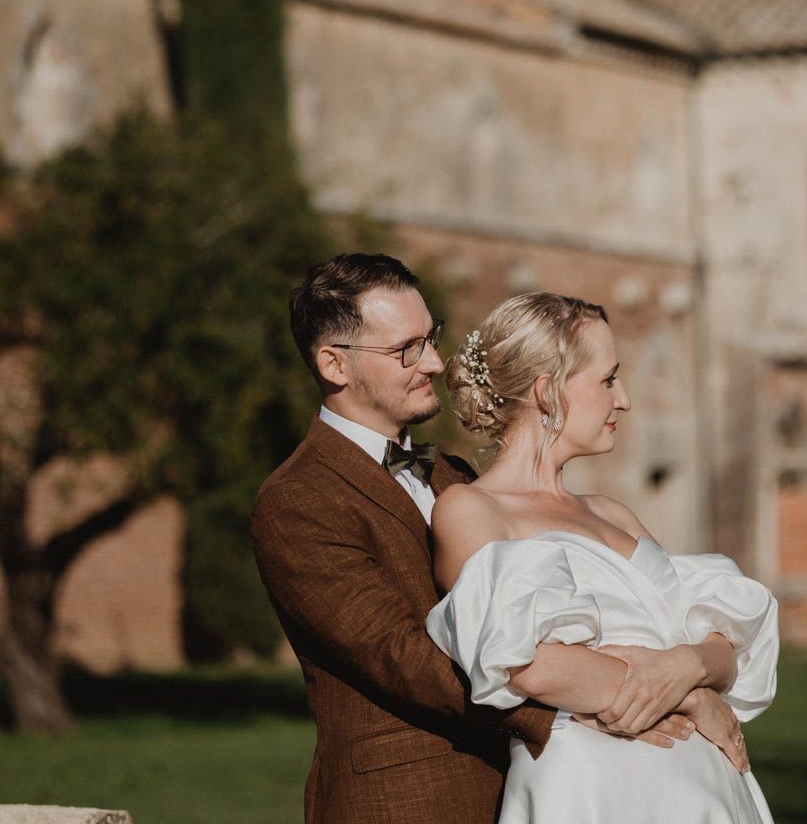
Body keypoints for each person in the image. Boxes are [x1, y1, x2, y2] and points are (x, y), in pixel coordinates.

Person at [251, 255, 699, 824]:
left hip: (532, 786)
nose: (435, 362)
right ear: (335, 365)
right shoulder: (298, 501)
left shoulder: (456, 477)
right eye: (405, 350)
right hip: (405, 800)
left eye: (430, 338)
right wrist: (612, 697)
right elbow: (401, 656)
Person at [428, 291, 779, 824]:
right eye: (608, 379)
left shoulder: (614, 514)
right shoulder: (472, 510)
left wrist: (686, 664)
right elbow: (523, 664)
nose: (625, 400)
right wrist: (691, 698)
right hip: (594, 788)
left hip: (707, 788)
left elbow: (728, 646)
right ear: (548, 393)